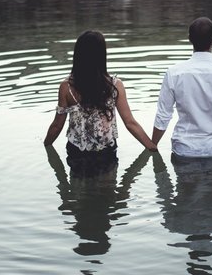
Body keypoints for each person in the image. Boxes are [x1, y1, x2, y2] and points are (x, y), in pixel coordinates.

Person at [45, 30, 157, 171]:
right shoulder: (115, 86)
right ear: (102, 56)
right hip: (106, 152)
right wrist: (152, 146)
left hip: (77, 152)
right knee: (107, 190)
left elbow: (57, 125)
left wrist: (46, 145)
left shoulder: (66, 87)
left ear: (78, 55)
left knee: (78, 189)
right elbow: (130, 123)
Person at [151, 17, 212, 157]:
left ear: (189, 39)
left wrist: (153, 145)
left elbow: (163, 115)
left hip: (184, 149)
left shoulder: (174, 74)